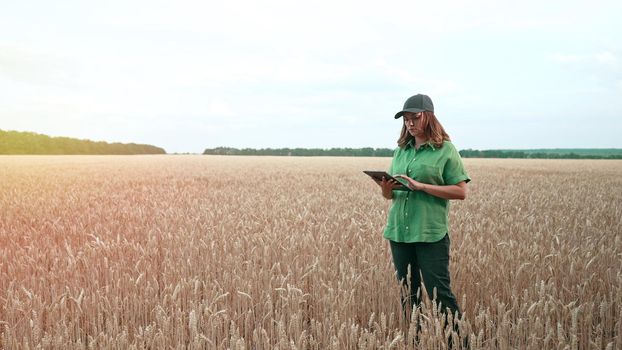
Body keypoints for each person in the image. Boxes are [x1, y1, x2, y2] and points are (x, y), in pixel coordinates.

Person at [374, 93, 470, 331]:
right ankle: (414, 341)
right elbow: (391, 196)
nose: (410, 123)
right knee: (408, 294)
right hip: (399, 232)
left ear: (428, 117)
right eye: (406, 119)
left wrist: (421, 186)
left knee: (440, 295)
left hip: (430, 232)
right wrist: (386, 189)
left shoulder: (445, 150)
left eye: (415, 117)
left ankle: (459, 344)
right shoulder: (401, 151)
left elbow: (461, 192)